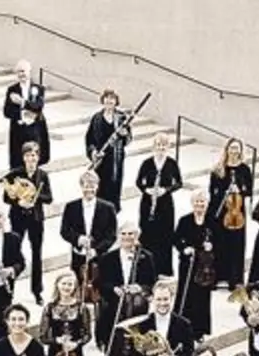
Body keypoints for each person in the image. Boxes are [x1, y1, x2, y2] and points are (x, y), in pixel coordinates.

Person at [96, 221, 155, 356]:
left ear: (137, 237)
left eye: (132, 234)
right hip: (113, 312)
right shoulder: (107, 258)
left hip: (136, 312)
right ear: (119, 236)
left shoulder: (146, 256)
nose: (128, 238)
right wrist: (114, 289)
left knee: (133, 352)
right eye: (124, 234)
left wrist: (141, 288)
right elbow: (99, 284)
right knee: (113, 352)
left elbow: (151, 283)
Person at [3, 142, 53, 303]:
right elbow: (6, 197)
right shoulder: (15, 174)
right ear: (23, 157)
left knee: (36, 254)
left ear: (38, 158)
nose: (31, 159)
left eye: (34, 156)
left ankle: (37, 291)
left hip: (36, 219)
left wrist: (34, 198)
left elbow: (49, 198)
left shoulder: (43, 175)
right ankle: (9, 290)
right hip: (18, 218)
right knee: (13, 253)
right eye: (28, 155)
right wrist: (19, 202)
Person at [206, 138, 253, 289]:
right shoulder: (218, 169)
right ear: (227, 149)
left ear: (240, 150)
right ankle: (218, 276)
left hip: (237, 211)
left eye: (237, 148)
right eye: (231, 148)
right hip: (220, 211)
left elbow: (249, 190)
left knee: (236, 244)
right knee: (219, 243)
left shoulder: (245, 169)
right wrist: (223, 194)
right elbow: (212, 191)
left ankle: (235, 279)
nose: (234, 151)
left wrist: (239, 190)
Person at [135, 133, 182, 278]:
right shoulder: (147, 163)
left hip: (165, 203)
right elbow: (138, 182)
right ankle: (148, 269)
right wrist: (146, 190)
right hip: (148, 202)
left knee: (165, 236)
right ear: (153, 147)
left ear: (167, 147)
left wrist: (166, 190)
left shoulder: (171, 163)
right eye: (158, 145)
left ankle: (164, 270)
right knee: (148, 234)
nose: (161, 148)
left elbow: (179, 183)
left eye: (163, 145)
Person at [171, 190, 216, 339]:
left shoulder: (212, 220)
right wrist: (184, 249)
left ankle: (199, 330)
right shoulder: (185, 220)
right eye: (197, 201)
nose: (199, 204)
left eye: (202, 201)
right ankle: (181, 326)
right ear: (192, 203)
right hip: (188, 264)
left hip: (205, 266)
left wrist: (212, 246)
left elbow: (221, 242)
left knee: (202, 297)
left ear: (207, 203)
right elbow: (176, 239)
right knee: (185, 293)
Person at [61, 170, 119, 280]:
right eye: (86, 186)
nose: (89, 190)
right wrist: (78, 239)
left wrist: (96, 250)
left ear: (97, 186)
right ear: (81, 187)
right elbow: (64, 231)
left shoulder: (108, 208)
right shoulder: (71, 207)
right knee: (78, 287)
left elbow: (111, 235)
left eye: (92, 186)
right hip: (78, 255)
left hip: (100, 257)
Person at [85, 89, 131, 208]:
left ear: (116, 101)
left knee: (114, 188)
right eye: (107, 98)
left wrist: (125, 134)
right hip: (101, 159)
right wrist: (93, 152)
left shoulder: (121, 117)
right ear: (103, 100)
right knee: (100, 188)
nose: (109, 101)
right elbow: (89, 139)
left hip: (115, 160)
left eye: (112, 98)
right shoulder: (96, 118)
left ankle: (113, 215)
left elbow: (129, 139)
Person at [3, 61, 49, 170]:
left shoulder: (38, 89)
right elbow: (6, 111)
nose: (21, 74)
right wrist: (21, 114)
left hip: (35, 130)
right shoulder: (12, 90)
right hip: (18, 130)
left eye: (23, 71)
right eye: (18, 72)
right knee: (18, 161)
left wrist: (22, 102)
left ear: (29, 72)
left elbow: (38, 106)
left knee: (34, 159)